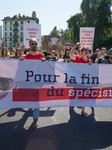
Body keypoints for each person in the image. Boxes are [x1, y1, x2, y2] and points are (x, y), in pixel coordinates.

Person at [20, 38, 45, 128]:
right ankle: (30, 108)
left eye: (35, 43)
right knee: (29, 98)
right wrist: (20, 60)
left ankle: (35, 118)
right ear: (29, 45)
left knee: (36, 101)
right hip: (28, 82)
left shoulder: (41, 56)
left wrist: (44, 62)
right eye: (32, 43)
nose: (34, 45)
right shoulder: (26, 57)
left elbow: (46, 67)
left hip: (37, 82)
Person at [69, 43, 92, 117]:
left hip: (85, 81)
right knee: (75, 94)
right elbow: (70, 54)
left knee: (84, 95)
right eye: (85, 50)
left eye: (88, 50)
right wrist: (75, 46)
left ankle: (83, 110)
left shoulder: (89, 61)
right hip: (77, 81)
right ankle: (71, 105)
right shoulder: (78, 58)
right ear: (82, 52)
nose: (87, 51)